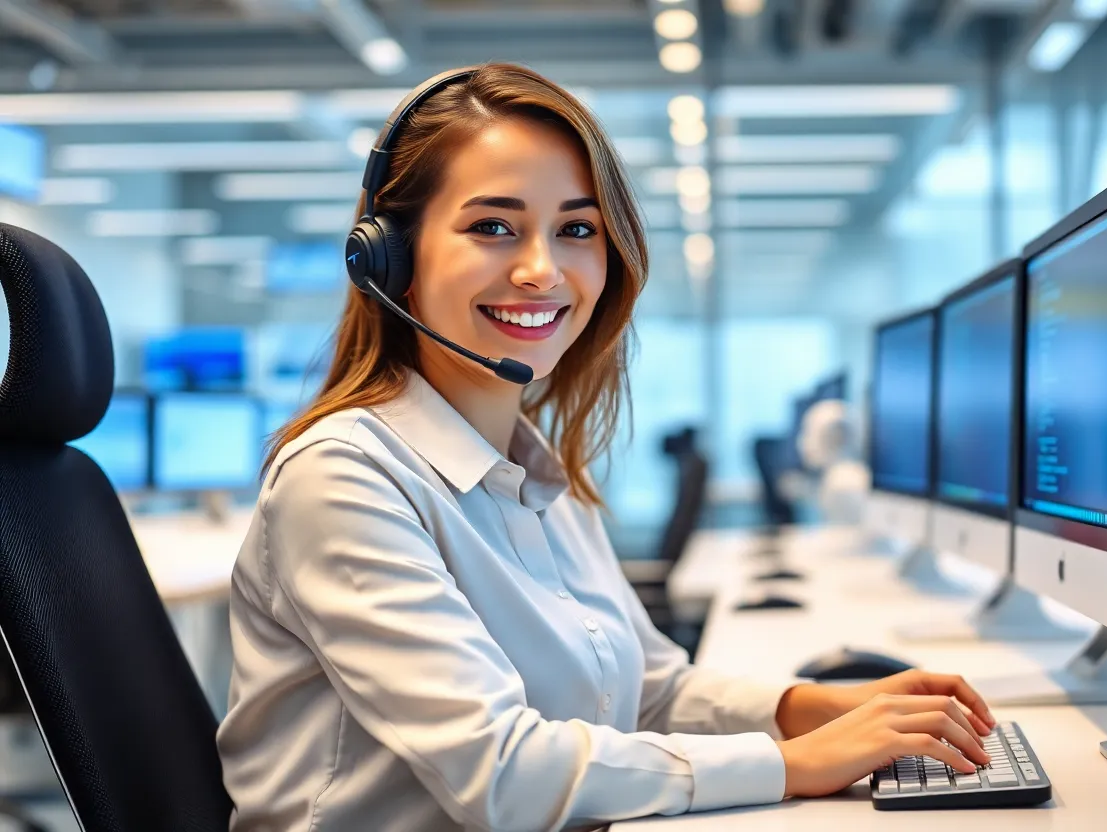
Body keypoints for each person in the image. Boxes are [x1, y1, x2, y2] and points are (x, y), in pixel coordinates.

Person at [217, 63, 996, 832]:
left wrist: (804, 710)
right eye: (493, 226)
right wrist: (795, 765)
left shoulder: (539, 478)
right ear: (391, 259)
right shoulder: (345, 478)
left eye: (577, 230)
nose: (541, 270)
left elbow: (645, 690)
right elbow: (502, 775)